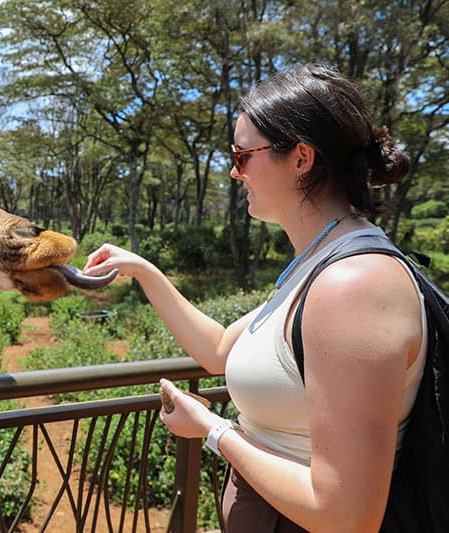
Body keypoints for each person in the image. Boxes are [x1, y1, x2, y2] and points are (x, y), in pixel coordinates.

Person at [82, 64, 421, 532]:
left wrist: (214, 430)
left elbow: (347, 516)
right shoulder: (319, 261)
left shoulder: (352, 284)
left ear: (302, 158)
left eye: (243, 156)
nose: (234, 172)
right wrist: (143, 270)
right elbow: (220, 350)